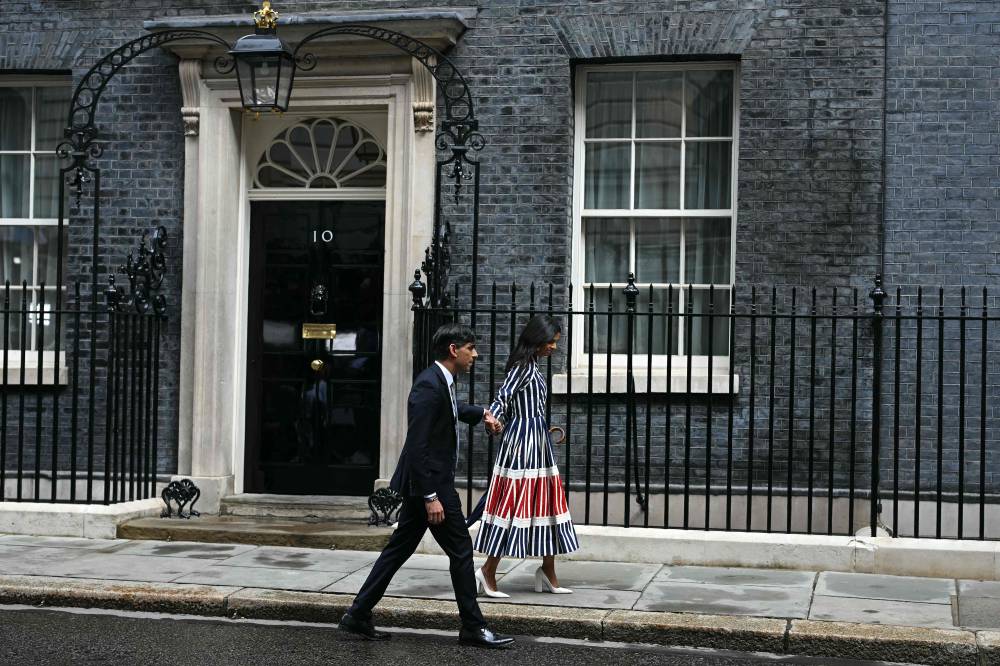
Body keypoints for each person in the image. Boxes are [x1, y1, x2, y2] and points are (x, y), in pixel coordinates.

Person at [339, 323, 514, 649]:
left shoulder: (440, 381)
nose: (474, 354)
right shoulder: (428, 386)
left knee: (398, 550)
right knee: (461, 551)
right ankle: (473, 627)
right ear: (453, 350)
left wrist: (482, 414)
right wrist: (431, 496)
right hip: (430, 484)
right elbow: (417, 446)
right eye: (470, 348)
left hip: (426, 483)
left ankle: (358, 613)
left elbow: (451, 411)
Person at [473, 314, 579, 598]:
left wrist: (540, 425)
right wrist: (491, 418)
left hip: (537, 440)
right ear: (537, 340)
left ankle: (548, 571)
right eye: (551, 342)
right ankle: (488, 571)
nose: (554, 348)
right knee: (513, 505)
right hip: (521, 444)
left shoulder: (532, 366)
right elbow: (502, 397)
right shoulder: (522, 367)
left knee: (548, 505)